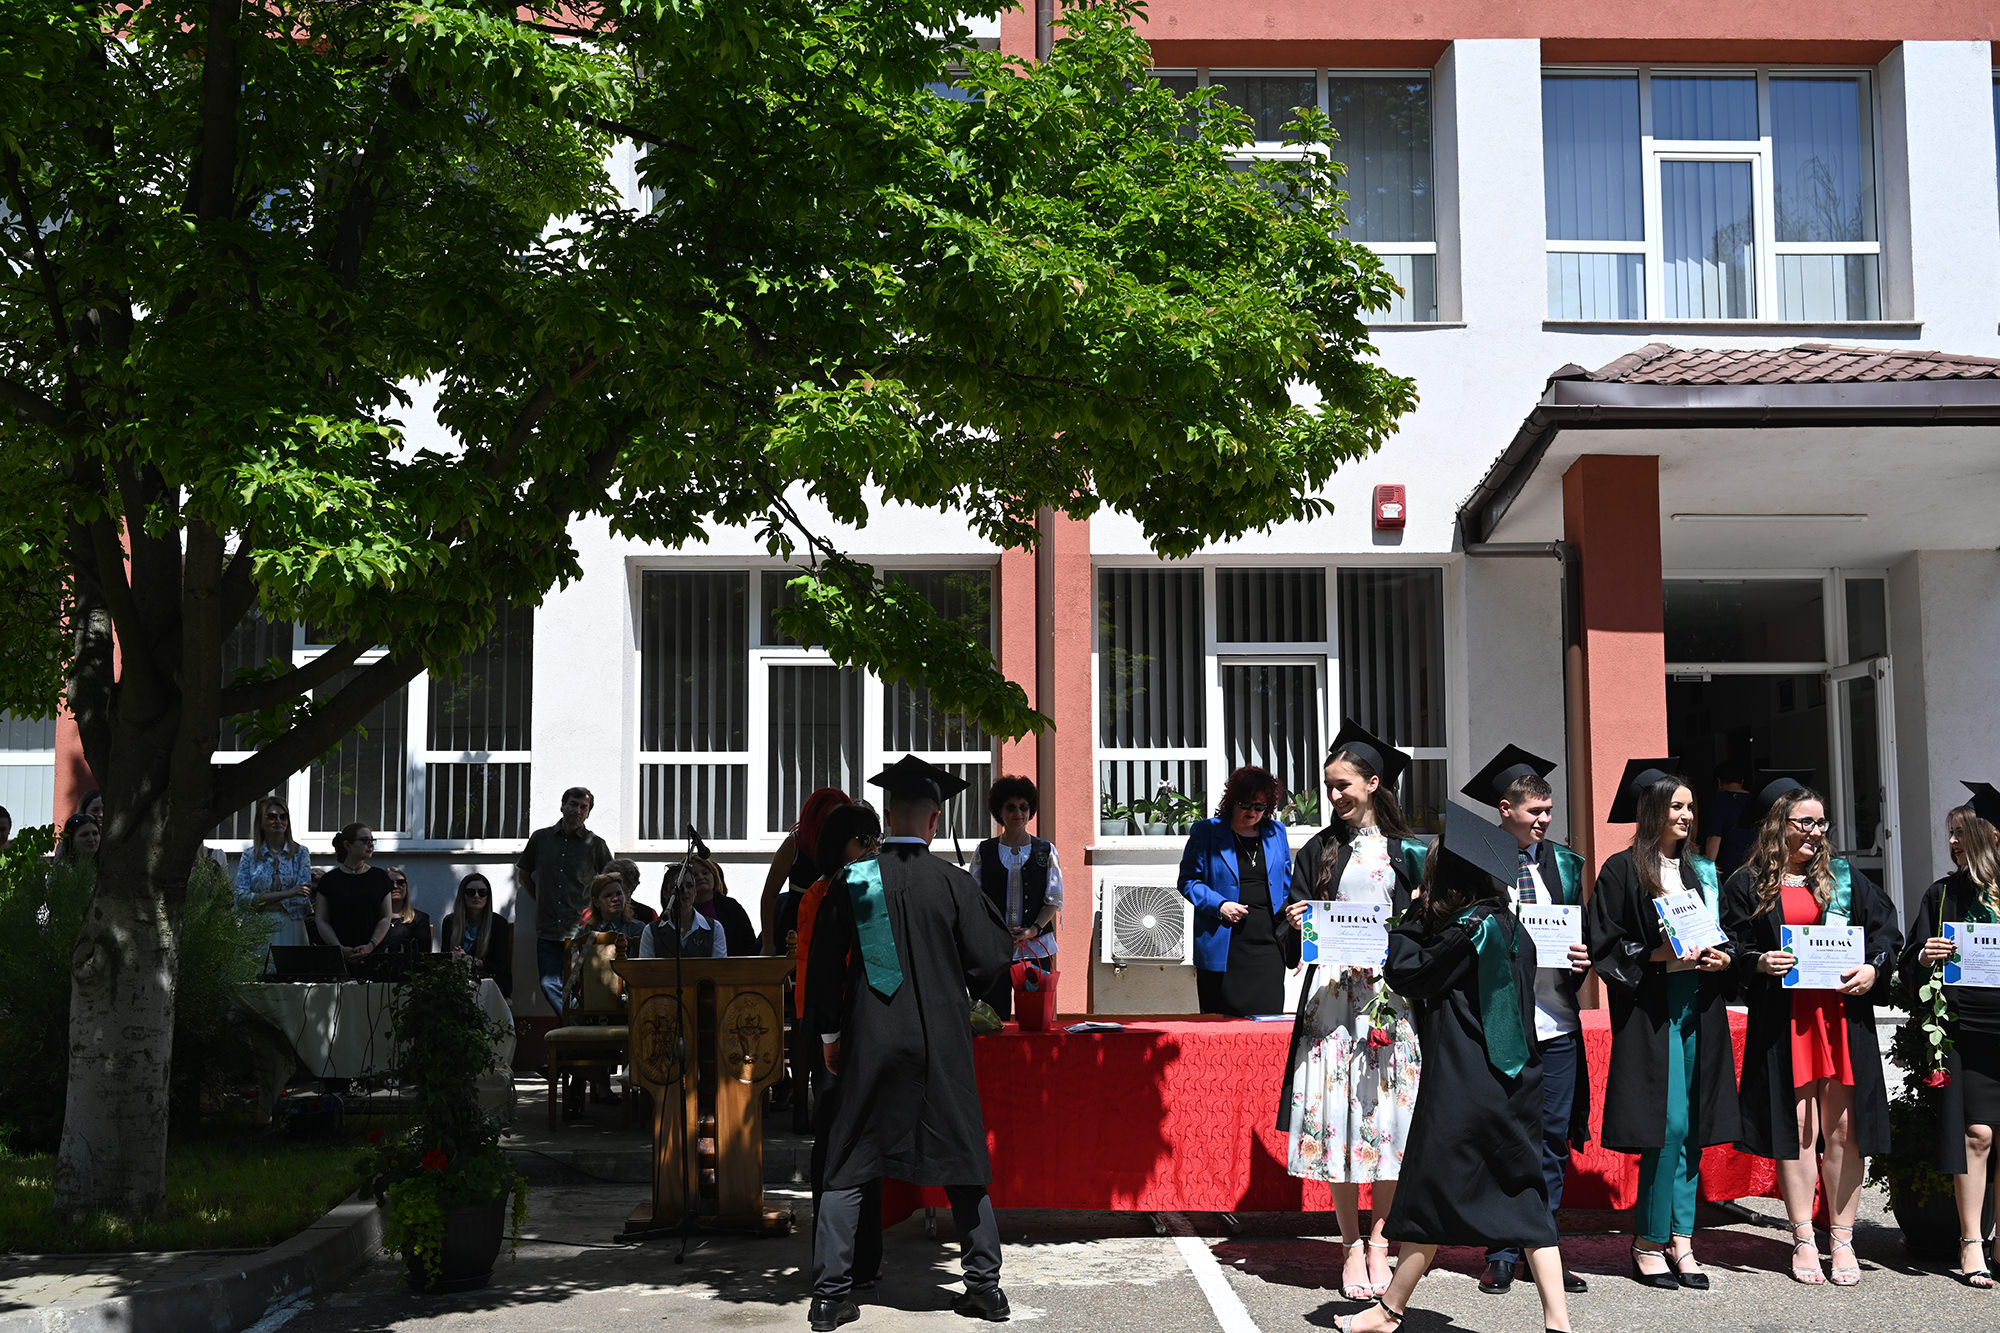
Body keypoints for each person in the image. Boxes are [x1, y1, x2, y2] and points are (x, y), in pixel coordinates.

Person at [1336, 799, 1572, 1333]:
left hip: (1465, 1083)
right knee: (1525, 1198)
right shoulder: (1511, 926)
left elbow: (1407, 973)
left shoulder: (1467, 930)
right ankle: (1558, 1324)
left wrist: (1410, 916)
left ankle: (1388, 1313)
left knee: (1432, 1191)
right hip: (1517, 1082)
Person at [805, 755, 1013, 1331]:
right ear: (934, 820)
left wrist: (830, 1035)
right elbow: (993, 959)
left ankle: (830, 1297)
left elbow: (824, 970)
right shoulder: (953, 881)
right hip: (941, 1041)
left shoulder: (858, 880)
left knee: (848, 1156)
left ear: (888, 815)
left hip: (872, 1040)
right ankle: (985, 1288)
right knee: (963, 1157)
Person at [1722, 771, 1900, 1287]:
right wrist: (1757, 962)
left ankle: (1841, 1237)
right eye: (1805, 822)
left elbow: (1885, 935)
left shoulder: (1845, 880)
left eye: (1822, 823)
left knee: (1844, 1131)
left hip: (1841, 1018)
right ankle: (1802, 1236)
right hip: (1787, 1021)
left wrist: (1873, 969)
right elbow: (1731, 945)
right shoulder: (1748, 883)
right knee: (1799, 1129)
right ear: (1779, 825)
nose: (1815, 832)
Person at [1276, 721, 1425, 1300]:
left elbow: (1424, 930)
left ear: (1373, 782)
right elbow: (1294, 927)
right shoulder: (1318, 849)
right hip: (1333, 1004)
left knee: (1387, 1122)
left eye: (1343, 785)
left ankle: (1382, 1241)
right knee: (1338, 1119)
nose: (1334, 795)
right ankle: (1349, 1246)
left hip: (1389, 1001)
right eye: (1329, 786)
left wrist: (1411, 930)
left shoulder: (1410, 852)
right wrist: (1295, 922)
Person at [1584, 759, 1737, 1291]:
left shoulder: (1702, 871)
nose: (1687, 815)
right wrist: (1657, 953)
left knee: (1693, 1125)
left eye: (1691, 807)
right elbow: (1605, 944)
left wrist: (1724, 957)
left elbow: (1728, 934)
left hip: (1700, 1003)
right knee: (1667, 1125)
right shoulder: (1621, 870)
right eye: (1677, 806)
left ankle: (1683, 1240)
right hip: (1653, 1007)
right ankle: (1648, 1241)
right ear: (1653, 810)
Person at [1459, 745, 1593, 1298]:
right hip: (1500, 1023)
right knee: (1505, 1138)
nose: (1544, 820)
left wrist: (1583, 957)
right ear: (1505, 809)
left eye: (1548, 811)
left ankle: (1544, 1249)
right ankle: (1500, 1252)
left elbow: (1581, 932)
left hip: (1556, 1022)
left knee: (1553, 1142)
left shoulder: (1565, 864)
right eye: (1534, 811)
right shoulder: (1475, 860)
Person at [1902, 782, 2000, 1288]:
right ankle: (1971, 1242)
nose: (1954, 842)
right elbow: (1908, 962)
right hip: (1966, 1027)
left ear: (1992, 836)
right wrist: (1924, 956)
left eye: (1962, 832)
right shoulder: (1941, 895)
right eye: (1951, 833)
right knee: (1977, 1134)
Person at [797, 801, 887, 1294]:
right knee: (848, 1147)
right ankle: (854, 1261)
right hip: (844, 1031)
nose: (873, 847)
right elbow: (853, 968)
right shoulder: (855, 887)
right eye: (864, 840)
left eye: (876, 838)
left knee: (838, 1145)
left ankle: (842, 1257)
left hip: (830, 1028)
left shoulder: (825, 888)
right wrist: (830, 1035)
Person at [1178, 765, 1296, 1017]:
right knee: (1221, 1025)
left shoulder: (1277, 832)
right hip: (1224, 941)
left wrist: (1295, 940)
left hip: (1269, 943)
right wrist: (1220, 905)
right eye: (1245, 804)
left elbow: (1287, 886)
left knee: (1267, 1022)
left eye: (1260, 806)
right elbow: (1188, 881)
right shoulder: (1206, 832)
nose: (1252, 812)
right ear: (1232, 801)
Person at [973, 775, 1062, 1020]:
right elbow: (975, 900)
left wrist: (1033, 930)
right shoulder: (984, 851)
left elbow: (1053, 900)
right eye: (1011, 807)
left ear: (1030, 810)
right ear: (999, 812)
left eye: (1023, 807)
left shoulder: (1046, 850)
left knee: (1034, 1018)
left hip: (1035, 949)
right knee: (994, 1018)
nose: (1018, 813)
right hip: (996, 950)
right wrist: (997, 932)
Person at [516, 786, 613, 1013]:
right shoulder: (541, 839)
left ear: (588, 813)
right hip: (548, 930)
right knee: (548, 983)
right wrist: (541, 898)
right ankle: (575, 1021)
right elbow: (523, 876)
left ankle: (573, 1025)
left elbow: (610, 882)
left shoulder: (596, 844)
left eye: (583, 807)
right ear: (562, 806)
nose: (577, 811)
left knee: (583, 987)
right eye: (573, 804)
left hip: (582, 932)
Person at [763, 786, 851, 953]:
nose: (834, 826)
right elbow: (769, 895)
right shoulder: (794, 844)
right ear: (816, 818)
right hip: (796, 935)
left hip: (836, 933)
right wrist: (768, 944)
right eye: (829, 819)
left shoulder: (849, 845)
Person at [234, 795, 314, 947]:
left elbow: (302, 899)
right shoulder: (250, 855)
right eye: (271, 817)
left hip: (290, 927)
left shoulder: (300, 853)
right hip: (257, 927)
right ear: (260, 821)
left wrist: (259, 901)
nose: (278, 821)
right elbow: (241, 898)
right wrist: (288, 893)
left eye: (283, 817)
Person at [315, 823, 394, 961]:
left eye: (372, 840)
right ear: (347, 845)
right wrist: (339, 948)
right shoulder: (329, 880)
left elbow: (386, 917)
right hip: (339, 957)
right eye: (364, 840)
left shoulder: (380, 877)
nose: (371, 845)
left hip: (374, 955)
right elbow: (322, 919)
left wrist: (371, 945)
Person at [440, 872, 514, 998]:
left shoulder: (498, 923)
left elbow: (500, 967)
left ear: (488, 896)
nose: (476, 896)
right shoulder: (450, 921)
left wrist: (472, 961)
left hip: (490, 982)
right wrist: (454, 958)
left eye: (482, 892)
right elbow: (443, 959)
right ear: (463, 895)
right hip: (456, 981)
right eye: (470, 892)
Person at [638, 863, 728, 958]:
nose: (685, 891)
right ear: (665, 893)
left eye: (690, 886)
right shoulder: (651, 931)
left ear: (695, 891)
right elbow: (646, 966)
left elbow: (719, 966)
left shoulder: (715, 928)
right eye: (677, 887)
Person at [687, 854, 759, 957]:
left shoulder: (731, 906)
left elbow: (749, 943)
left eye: (705, 873)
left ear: (714, 876)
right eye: (694, 875)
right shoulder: (680, 909)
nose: (700, 877)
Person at [1701, 760, 1756, 882]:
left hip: (1730, 865)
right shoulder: (1756, 800)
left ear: (1719, 782)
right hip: (1756, 863)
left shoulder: (1719, 801)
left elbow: (1714, 836)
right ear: (1742, 781)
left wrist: (1709, 865)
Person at [381, 867, 434, 953]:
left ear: (406, 887)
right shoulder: (373, 918)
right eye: (389, 883)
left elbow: (424, 955)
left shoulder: (420, 919)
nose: (395, 886)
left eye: (400, 882)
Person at [602, 857, 660, 924]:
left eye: (618, 888)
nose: (614, 897)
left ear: (633, 887)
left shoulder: (648, 914)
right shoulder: (594, 913)